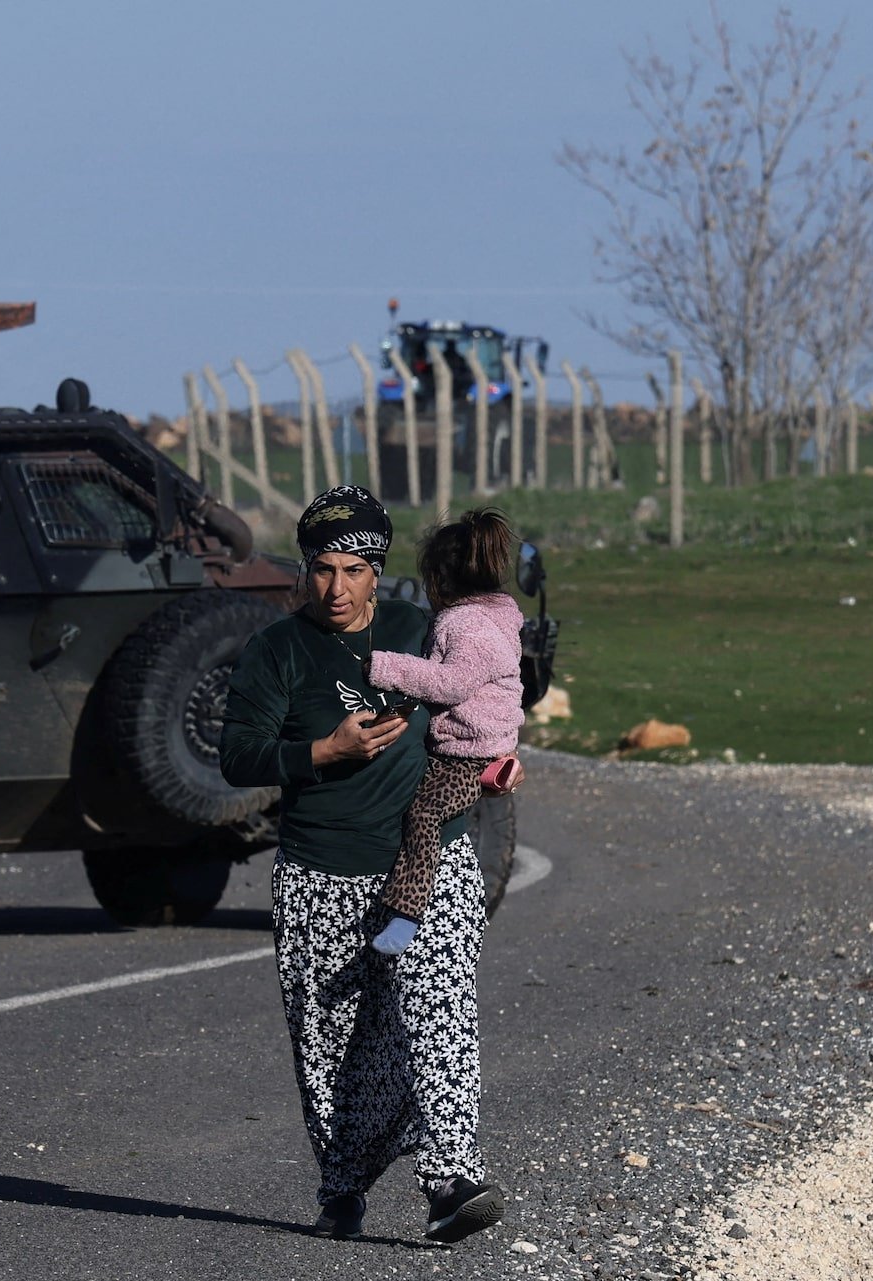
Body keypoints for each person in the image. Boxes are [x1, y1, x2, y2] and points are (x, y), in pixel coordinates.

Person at [219, 485, 503, 1245]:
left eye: (352, 569)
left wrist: (501, 759)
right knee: (337, 1045)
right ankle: (343, 1185)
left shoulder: (422, 631)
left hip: (429, 859)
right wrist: (323, 750)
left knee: (439, 1010)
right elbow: (237, 754)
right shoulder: (278, 651)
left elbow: (480, 705)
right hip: (321, 873)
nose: (336, 587)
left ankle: (453, 1179)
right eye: (321, 570)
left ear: (378, 570)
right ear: (304, 571)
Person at [367, 508, 525, 956]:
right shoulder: (495, 616)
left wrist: (384, 667)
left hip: (470, 752)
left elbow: (450, 682)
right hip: (474, 742)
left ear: (440, 578)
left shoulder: (466, 624)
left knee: (424, 814)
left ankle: (406, 914)